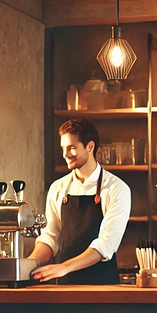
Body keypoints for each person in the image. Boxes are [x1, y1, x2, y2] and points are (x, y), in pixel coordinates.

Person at [30, 118, 131, 285]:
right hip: (65, 285)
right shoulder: (58, 188)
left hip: (103, 286)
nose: (65, 155)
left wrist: (64, 267)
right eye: (63, 148)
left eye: (72, 148)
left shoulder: (117, 189)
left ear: (90, 147)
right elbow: (50, 237)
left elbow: (105, 244)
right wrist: (27, 266)